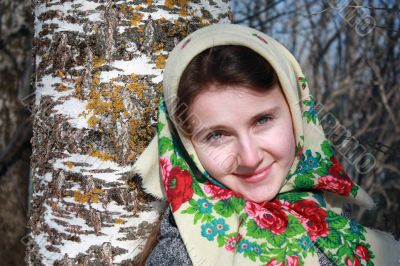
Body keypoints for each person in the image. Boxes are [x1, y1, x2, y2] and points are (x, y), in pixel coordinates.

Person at [133, 24, 400, 265]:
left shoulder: (334, 216)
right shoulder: (182, 257)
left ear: (298, 114)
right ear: (187, 147)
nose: (249, 158)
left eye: (262, 120)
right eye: (216, 135)